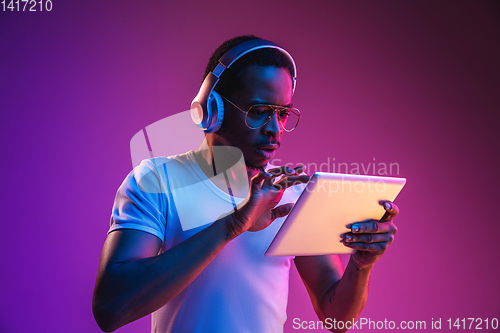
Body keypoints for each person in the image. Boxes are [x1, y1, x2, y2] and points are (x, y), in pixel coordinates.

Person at [92, 35, 399, 333]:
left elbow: (337, 318)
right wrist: (231, 225)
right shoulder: (158, 180)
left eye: (283, 114)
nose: (275, 129)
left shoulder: (289, 191)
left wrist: (361, 264)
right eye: (259, 112)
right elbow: (111, 309)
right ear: (212, 110)